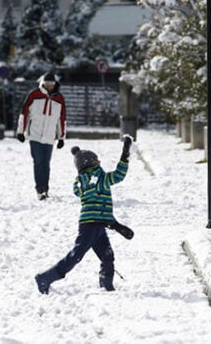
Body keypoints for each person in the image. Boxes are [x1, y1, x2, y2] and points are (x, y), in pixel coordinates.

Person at [34, 136, 133, 294]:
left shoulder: (83, 181)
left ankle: (106, 284)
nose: (99, 162)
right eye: (96, 160)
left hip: (95, 224)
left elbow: (95, 203)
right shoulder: (100, 179)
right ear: (89, 163)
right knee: (76, 255)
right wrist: (125, 152)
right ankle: (45, 278)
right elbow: (119, 174)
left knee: (107, 255)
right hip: (91, 225)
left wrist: (115, 224)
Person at [16, 72, 67, 200]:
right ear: (43, 83)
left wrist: (61, 137)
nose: (49, 86)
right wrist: (20, 131)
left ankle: (45, 188)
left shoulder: (59, 99)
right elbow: (24, 114)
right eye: (47, 84)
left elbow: (62, 119)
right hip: (35, 135)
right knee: (38, 162)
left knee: (46, 163)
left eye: (52, 84)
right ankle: (40, 190)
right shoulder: (34, 95)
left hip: (50, 136)